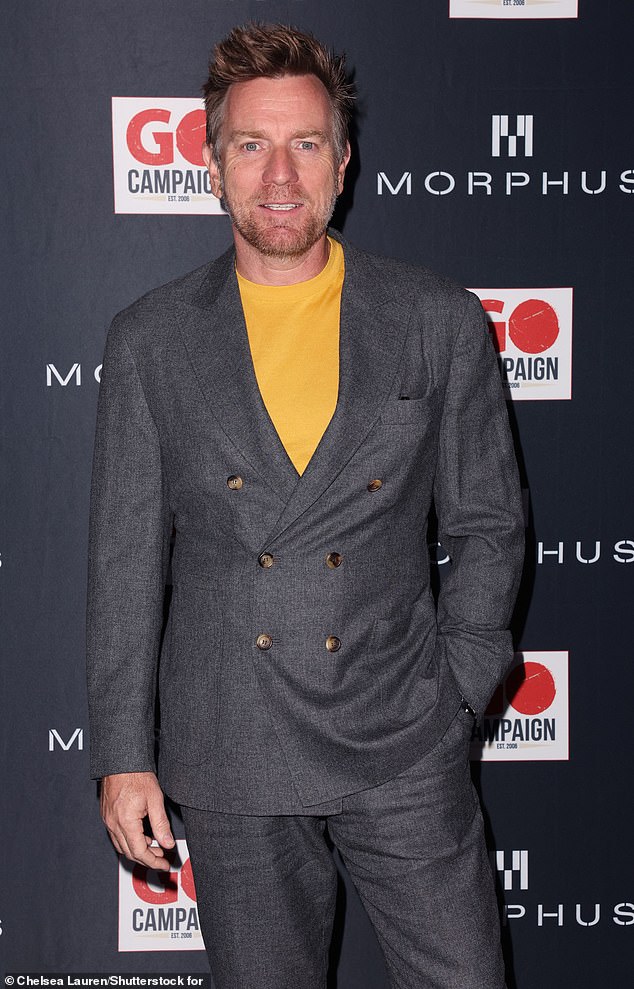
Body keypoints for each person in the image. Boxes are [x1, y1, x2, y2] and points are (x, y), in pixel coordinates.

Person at [86, 22, 524, 989]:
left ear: (342, 164)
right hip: (231, 740)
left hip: (404, 730)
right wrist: (123, 755)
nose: (279, 175)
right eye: (251, 144)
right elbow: (124, 562)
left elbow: (488, 524)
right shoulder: (150, 340)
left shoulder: (436, 319)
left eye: (306, 144)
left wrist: (459, 686)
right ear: (210, 163)